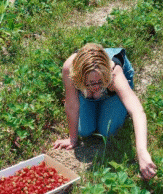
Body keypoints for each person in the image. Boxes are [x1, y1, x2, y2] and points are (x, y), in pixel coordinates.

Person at [53, 43, 156, 179]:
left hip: (112, 90)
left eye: (100, 81)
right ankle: (94, 99)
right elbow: (72, 105)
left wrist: (142, 152)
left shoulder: (114, 73)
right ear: (79, 77)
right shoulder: (70, 69)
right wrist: (72, 139)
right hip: (88, 90)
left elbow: (137, 111)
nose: (96, 86)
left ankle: (117, 99)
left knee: (107, 131)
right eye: (91, 83)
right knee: (84, 131)